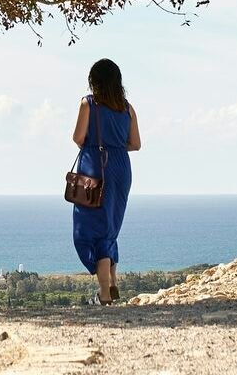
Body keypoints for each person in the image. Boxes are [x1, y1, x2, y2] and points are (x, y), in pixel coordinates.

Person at [71, 58, 140, 305]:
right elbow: (136, 144)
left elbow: (78, 137)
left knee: (92, 231)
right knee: (110, 229)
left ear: (94, 80)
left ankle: (104, 294)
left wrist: (95, 144)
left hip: (94, 168)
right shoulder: (127, 108)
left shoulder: (88, 103)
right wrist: (115, 144)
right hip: (121, 169)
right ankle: (112, 282)